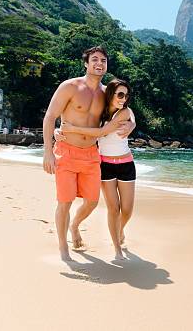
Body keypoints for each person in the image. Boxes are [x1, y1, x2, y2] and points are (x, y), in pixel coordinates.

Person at [42, 46, 135, 262]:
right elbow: (50, 116)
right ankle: (63, 247)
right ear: (86, 63)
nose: (99, 63)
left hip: (92, 154)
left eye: (103, 60)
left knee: (92, 201)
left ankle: (75, 225)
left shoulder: (107, 93)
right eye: (94, 60)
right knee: (65, 201)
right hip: (66, 151)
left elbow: (125, 110)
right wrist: (48, 151)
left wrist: (131, 124)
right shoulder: (70, 87)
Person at [60, 79, 136, 261]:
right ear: (111, 94)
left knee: (127, 210)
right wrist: (62, 130)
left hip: (126, 163)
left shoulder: (124, 112)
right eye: (120, 94)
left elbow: (103, 132)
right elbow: (88, 124)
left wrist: (72, 129)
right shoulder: (99, 112)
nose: (123, 98)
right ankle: (117, 249)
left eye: (126, 95)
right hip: (105, 164)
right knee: (114, 209)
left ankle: (120, 230)